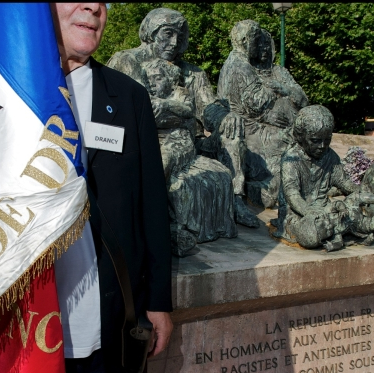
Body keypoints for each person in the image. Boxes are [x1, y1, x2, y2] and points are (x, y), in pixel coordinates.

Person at [48, 4, 173, 373]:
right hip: (39, 335)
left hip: (117, 326)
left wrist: (158, 301)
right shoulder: (13, 94)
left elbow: (151, 205)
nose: (94, 7)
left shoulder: (129, 96)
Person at [107, 8, 260, 229]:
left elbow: (209, 108)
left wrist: (224, 117)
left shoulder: (194, 73)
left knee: (232, 129)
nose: (174, 42)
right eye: (167, 33)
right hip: (146, 140)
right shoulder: (128, 60)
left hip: (191, 141)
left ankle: (236, 199)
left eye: (179, 36)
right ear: (151, 32)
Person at [140, 58, 237, 256]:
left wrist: (165, 104)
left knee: (162, 164)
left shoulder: (180, 93)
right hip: (152, 140)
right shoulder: (146, 96)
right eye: (149, 79)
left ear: (169, 80)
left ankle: (158, 221)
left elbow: (187, 110)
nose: (152, 83)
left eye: (157, 78)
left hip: (178, 142)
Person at [273, 105, 374, 251]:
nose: (322, 146)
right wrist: (309, 212)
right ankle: (361, 228)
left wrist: (360, 193)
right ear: (301, 137)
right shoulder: (291, 159)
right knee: (310, 235)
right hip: (297, 213)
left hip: (325, 211)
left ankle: (370, 225)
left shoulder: (330, 156)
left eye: (327, 140)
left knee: (348, 214)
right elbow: (292, 195)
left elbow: (344, 182)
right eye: (315, 140)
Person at [218, 20, 305, 208]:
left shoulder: (269, 69)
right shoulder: (241, 65)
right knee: (288, 143)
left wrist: (283, 90)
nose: (261, 48)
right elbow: (256, 103)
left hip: (258, 126)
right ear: (245, 41)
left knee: (293, 142)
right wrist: (272, 93)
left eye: (266, 44)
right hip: (250, 131)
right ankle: (276, 188)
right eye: (258, 42)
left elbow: (300, 98)